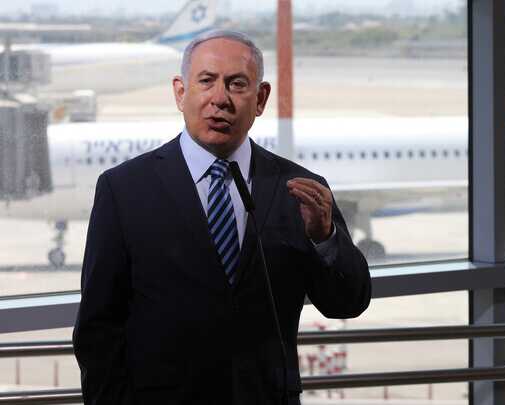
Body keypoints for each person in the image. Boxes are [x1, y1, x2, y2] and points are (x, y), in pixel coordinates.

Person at [72, 30, 371, 405]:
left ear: (260, 99)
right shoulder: (124, 189)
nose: (220, 99)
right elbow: (98, 328)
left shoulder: (299, 189)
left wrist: (324, 238)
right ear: (180, 92)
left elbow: (347, 303)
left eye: (237, 84)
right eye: (206, 81)